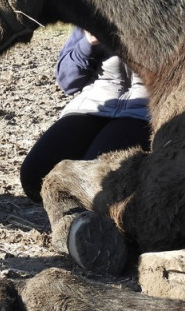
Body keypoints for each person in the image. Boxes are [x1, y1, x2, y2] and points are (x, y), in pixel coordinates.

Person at [20, 27, 151, 204]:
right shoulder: (95, 10)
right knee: (35, 176)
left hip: (144, 110)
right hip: (92, 105)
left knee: (96, 182)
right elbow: (67, 81)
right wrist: (87, 44)